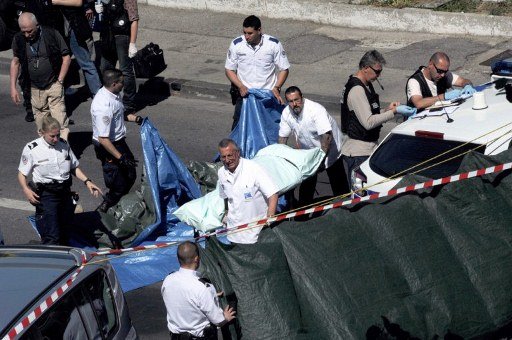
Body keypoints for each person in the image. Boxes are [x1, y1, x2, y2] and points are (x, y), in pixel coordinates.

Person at [17, 116, 102, 245]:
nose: (56, 139)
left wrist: (87, 181)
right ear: (42, 132)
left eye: (57, 135)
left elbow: (74, 167)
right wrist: (26, 190)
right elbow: (22, 174)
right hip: (47, 195)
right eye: (52, 136)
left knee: (65, 231)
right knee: (52, 235)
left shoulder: (64, 145)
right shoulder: (32, 149)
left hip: (64, 193)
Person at [340, 50, 417, 184]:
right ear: (365, 68)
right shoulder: (357, 90)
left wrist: (388, 109)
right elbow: (368, 122)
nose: (378, 75)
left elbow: (368, 113)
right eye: (377, 71)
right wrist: (394, 112)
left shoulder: (366, 85)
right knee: (361, 196)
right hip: (358, 152)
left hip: (368, 148)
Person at [278, 86, 349, 206]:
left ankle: (347, 208)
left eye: (297, 100)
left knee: (340, 187)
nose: (294, 104)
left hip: (331, 152)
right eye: (290, 101)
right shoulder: (286, 113)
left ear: (302, 98)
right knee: (306, 187)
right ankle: (303, 216)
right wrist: (281, 160)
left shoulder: (316, 110)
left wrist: (320, 160)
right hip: (310, 154)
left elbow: (326, 136)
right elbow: (282, 138)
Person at [10, 12, 72, 139]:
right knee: (42, 127)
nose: (27, 35)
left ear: (37, 25)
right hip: (34, 88)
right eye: (24, 32)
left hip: (53, 83)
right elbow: (15, 63)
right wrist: (13, 87)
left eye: (30, 31)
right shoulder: (18, 39)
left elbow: (66, 57)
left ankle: (64, 154)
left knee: (60, 124)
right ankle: (47, 153)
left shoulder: (51, 34)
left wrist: (60, 81)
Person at [225, 15, 290, 130]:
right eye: (244, 33)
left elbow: (284, 69)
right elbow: (229, 69)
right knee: (238, 128)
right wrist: (240, 86)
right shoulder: (237, 44)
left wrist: (277, 87)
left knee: (269, 129)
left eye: (250, 33)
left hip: (266, 96)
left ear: (259, 30)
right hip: (245, 95)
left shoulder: (273, 44)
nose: (246, 36)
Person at [91, 68, 143, 212]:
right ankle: (106, 207)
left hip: (118, 142)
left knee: (130, 173)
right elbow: (103, 139)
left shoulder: (114, 94)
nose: (124, 84)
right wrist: (120, 158)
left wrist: (137, 119)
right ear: (114, 84)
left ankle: (118, 202)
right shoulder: (103, 106)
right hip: (108, 146)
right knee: (117, 182)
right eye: (122, 82)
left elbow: (120, 113)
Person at [161, 241, 236, 339]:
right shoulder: (203, 287)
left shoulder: (168, 280)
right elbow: (217, 320)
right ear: (196, 259)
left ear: (178, 259)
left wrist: (210, 295)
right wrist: (225, 317)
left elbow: (182, 297)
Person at [217, 139, 278, 244]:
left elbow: (273, 194)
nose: (227, 160)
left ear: (238, 153)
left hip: (256, 235)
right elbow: (225, 197)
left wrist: (269, 222)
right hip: (233, 234)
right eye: (223, 157)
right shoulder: (221, 173)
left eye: (230, 155)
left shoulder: (253, 169)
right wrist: (226, 213)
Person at [95, 0, 139, 114]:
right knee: (105, 69)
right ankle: (109, 100)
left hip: (122, 36)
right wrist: (98, 10)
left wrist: (132, 43)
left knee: (125, 70)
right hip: (107, 35)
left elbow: (134, 19)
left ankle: (128, 105)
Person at [51, 0, 102, 97]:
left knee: (86, 62)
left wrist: (56, 1)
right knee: (59, 62)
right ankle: (63, 89)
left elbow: (78, 2)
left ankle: (98, 96)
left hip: (73, 27)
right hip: (60, 27)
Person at [406, 51, 476, 111]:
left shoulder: (443, 75)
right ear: (430, 64)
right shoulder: (414, 81)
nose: (442, 75)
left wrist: (467, 86)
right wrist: (444, 97)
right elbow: (419, 103)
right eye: (440, 71)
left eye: (445, 72)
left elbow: (463, 81)